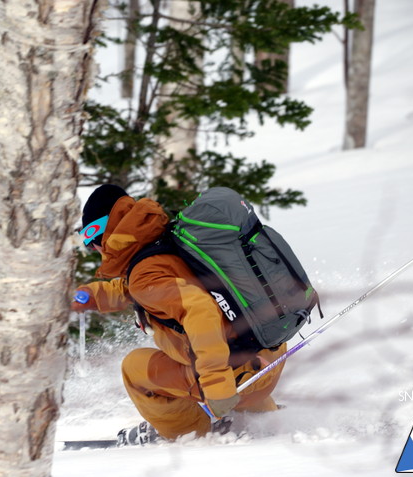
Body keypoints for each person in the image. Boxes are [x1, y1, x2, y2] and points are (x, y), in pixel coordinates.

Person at [72, 184, 288, 441]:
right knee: (207, 353)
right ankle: (262, 417)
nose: (92, 249)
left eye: (89, 241)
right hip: (267, 355)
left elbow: (199, 309)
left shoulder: (145, 273)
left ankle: (189, 433)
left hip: (238, 376)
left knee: (135, 369)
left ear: (102, 234)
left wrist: (217, 383)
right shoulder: (169, 240)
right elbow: (140, 288)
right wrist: (91, 296)